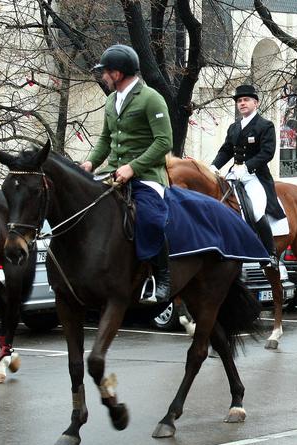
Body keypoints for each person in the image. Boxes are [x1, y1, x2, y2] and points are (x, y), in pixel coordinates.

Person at [81, 44, 173, 304]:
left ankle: (162, 276)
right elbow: (105, 139)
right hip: (113, 173)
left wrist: (134, 167)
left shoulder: (151, 98)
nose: (102, 77)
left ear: (118, 73)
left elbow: (164, 142)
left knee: (150, 219)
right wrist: (90, 163)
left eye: (105, 72)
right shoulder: (111, 100)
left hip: (147, 176)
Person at [211, 84, 285, 267]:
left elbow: (268, 152)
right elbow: (226, 150)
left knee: (257, 211)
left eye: (246, 100)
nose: (242, 103)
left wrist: (246, 167)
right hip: (234, 174)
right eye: (239, 101)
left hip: (255, 176)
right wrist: (213, 166)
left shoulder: (265, 125)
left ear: (256, 103)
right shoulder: (234, 127)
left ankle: (270, 254)